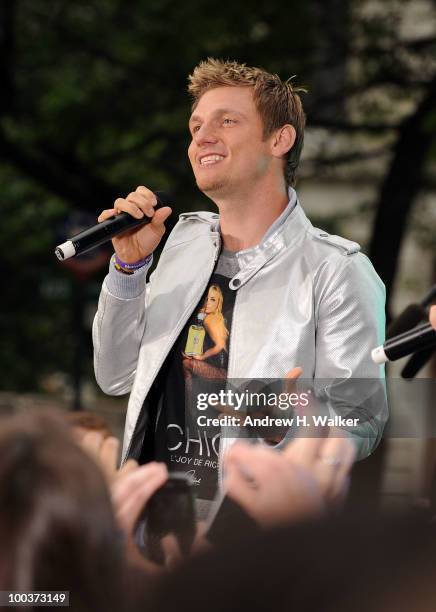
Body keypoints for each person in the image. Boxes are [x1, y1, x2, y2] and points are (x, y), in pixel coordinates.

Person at [93, 58, 386, 520]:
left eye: (226, 121)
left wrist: (284, 425)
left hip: (253, 541)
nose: (202, 138)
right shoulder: (183, 244)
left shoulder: (336, 269)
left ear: (279, 139)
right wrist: (128, 269)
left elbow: (362, 420)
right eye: (195, 126)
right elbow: (114, 376)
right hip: (148, 524)